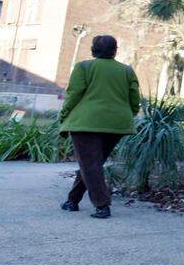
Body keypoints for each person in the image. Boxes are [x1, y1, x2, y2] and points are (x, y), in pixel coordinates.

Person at [58, 35, 141, 219]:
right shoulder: (126, 71)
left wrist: (63, 115)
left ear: (93, 49)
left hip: (85, 123)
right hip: (116, 124)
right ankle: (72, 200)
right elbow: (135, 98)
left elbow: (73, 94)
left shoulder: (84, 67)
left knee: (90, 164)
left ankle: (102, 205)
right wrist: (128, 114)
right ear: (115, 50)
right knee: (93, 164)